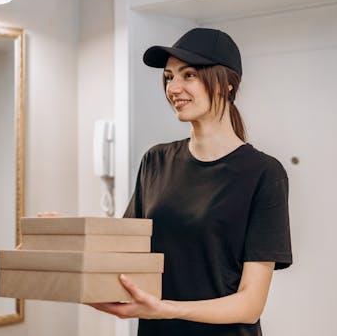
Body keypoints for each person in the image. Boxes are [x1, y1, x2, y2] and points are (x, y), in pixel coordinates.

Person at [89, 27, 292, 336]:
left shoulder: (263, 173)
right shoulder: (155, 162)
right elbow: (125, 251)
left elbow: (250, 304)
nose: (174, 88)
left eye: (188, 75)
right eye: (169, 77)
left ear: (226, 84)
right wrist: (60, 239)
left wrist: (166, 309)